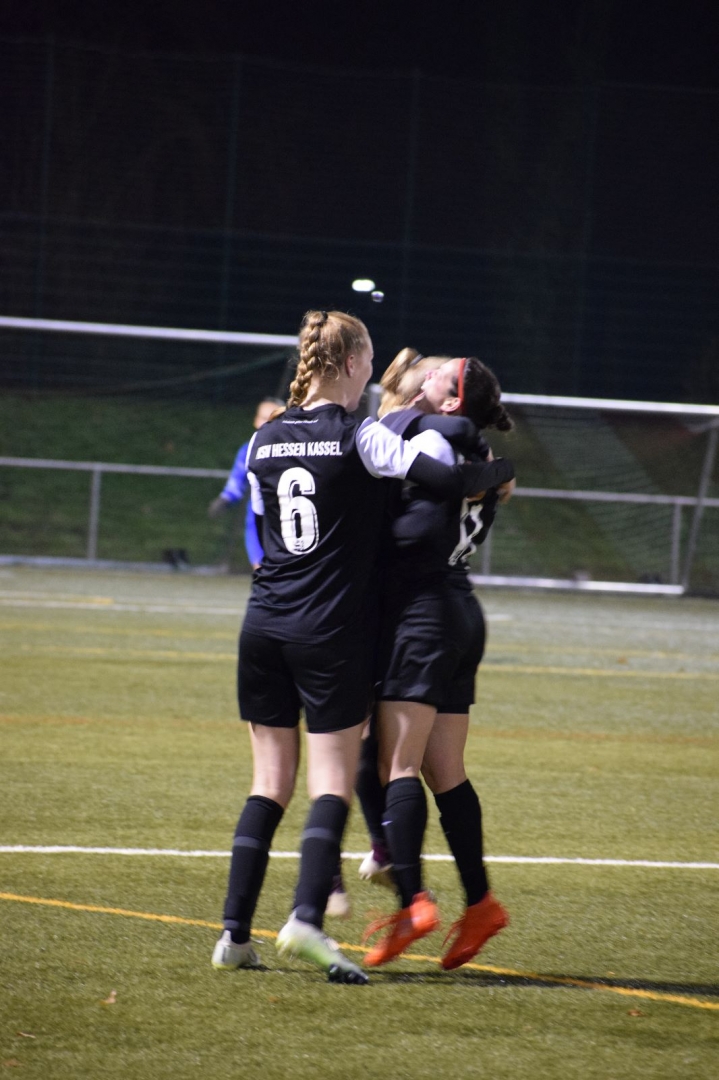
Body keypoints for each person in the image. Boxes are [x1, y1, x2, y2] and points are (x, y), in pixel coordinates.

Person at [210, 312, 508, 984]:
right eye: (369, 359)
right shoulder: (361, 435)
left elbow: (265, 522)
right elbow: (441, 480)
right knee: (335, 783)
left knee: (267, 785)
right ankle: (308, 919)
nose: (375, 371)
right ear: (349, 363)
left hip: (262, 624)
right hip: (329, 630)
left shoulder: (262, 439)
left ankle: (233, 933)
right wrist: (498, 469)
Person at [362, 351, 514, 970]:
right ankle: (480, 904)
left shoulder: (435, 437)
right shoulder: (470, 445)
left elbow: (414, 521)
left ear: (452, 401)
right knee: (445, 769)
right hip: (460, 609)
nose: (427, 373)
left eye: (440, 374)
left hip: (423, 614)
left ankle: (413, 904)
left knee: (395, 764)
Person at [208, 397, 285, 569]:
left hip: (288, 518)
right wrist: (225, 499)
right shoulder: (248, 450)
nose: (266, 423)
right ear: (256, 420)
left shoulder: (294, 449)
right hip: (258, 520)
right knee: (262, 571)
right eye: (262, 418)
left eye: (272, 418)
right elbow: (237, 481)